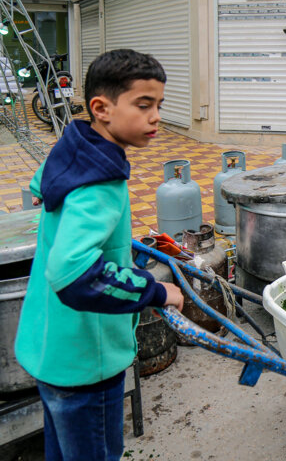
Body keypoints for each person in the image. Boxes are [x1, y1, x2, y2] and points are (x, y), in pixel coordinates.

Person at [14, 49, 184, 461]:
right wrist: (157, 292)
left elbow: (43, 189)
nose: (156, 116)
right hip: (86, 361)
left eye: (159, 105)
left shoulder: (75, 147)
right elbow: (73, 273)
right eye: (143, 105)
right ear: (101, 108)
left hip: (49, 348)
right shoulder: (101, 183)